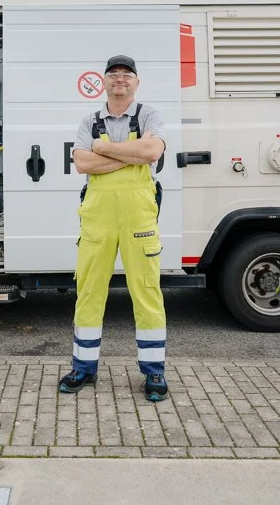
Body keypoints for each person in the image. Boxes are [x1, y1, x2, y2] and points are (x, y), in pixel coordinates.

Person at [61, 54, 169, 402]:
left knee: (146, 291)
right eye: (113, 74)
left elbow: (152, 151)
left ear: (136, 82)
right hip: (98, 218)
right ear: (104, 82)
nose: (120, 79)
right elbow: (81, 162)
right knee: (90, 290)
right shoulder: (88, 119)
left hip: (139, 216)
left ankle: (154, 373)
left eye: (127, 74)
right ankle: (83, 367)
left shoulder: (149, 114)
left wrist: (105, 148)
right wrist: (130, 154)